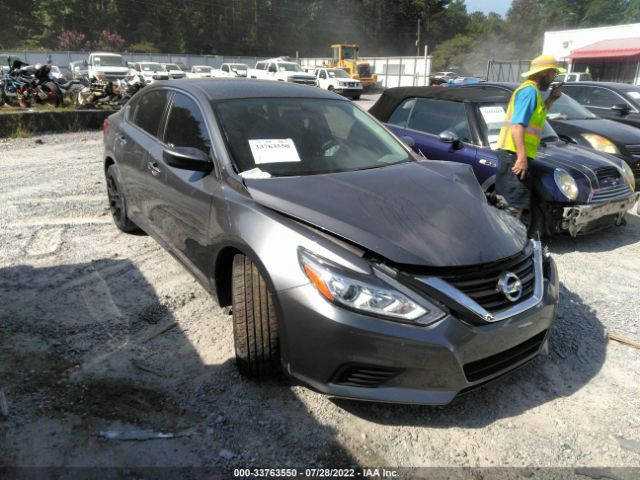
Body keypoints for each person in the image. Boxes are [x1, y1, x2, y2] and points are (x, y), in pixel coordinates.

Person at [496, 55, 565, 218]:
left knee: (514, 205)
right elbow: (517, 125)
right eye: (553, 74)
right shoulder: (529, 92)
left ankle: (510, 239)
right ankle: (509, 241)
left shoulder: (533, 92)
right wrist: (521, 158)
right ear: (544, 73)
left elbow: (536, 118)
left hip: (514, 155)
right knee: (513, 207)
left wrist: (551, 99)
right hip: (513, 156)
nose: (553, 78)